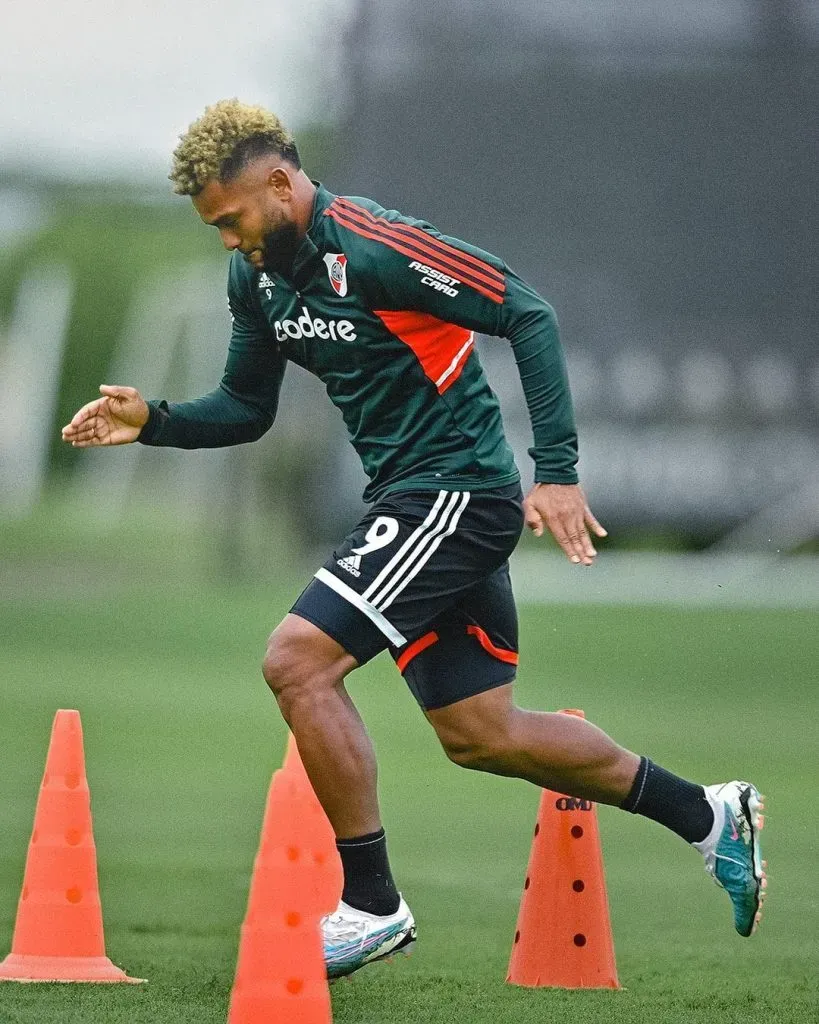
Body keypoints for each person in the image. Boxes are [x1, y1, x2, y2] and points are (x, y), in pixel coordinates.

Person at [62, 99, 766, 979]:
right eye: (215, 228)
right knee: (481, 733)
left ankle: (371, 906)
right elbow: (245, 407)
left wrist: (556, 470)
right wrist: (155, 421)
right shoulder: (257, 278)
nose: (229, 241)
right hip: (412, 500)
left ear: (279, 183)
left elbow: (526, 311)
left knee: (296, 661)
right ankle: (708, 814)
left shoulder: (377, 246)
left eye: (232, 219)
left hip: (454, 494)